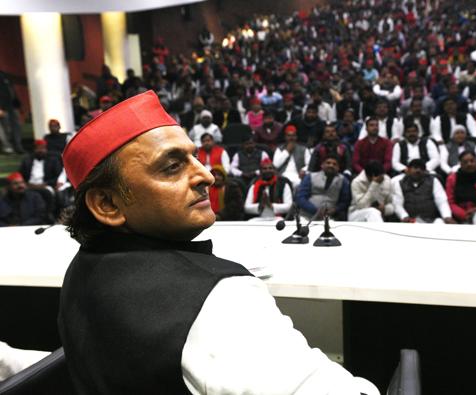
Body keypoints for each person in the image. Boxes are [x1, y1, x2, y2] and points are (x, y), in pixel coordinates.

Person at [58, 91, 377, 394]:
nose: (207, 177)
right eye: (172, 167)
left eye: (194, 158)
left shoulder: (79, 270)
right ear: (107, 205)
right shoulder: (220, 300)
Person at [392, 159, 455, 224]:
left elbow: (441, 201)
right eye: (415, 168)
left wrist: (447, 216)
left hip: (432, 220)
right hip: (411, 221)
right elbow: (397, 204)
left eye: (421, 168)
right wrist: (404, 216)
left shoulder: (433, 181)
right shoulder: (399, 184)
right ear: (408, 170)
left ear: (425, 171)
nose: (418, 170)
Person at [296, 154, 351, 221]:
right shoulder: (310, 177)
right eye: (328, 163)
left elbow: (345, 201)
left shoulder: (344, 181)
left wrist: (335, 209)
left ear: (338, 168)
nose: (331, 165)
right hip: (306, 215)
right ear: (322, 165)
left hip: (329, 217)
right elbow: (301, 198)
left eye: (334, 164)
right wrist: (315, 210)